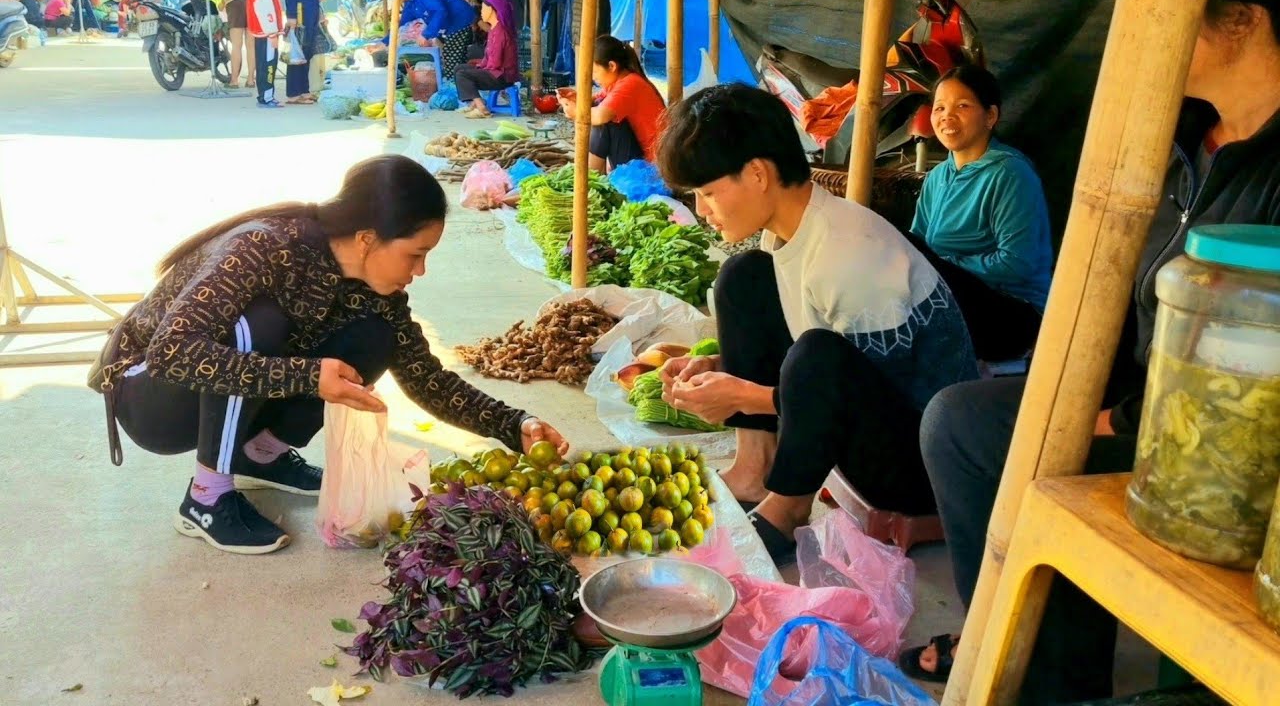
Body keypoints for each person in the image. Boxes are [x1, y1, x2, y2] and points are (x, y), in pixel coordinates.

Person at [903, 0, 1280, 700]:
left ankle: (1048, 670)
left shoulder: (1269, 167)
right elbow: (1126, 310)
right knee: (962, 415)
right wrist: (1078, 397)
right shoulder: (1185, 146)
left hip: (1216, 455)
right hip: (1134, 403)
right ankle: (1015, 629)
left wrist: (1122, 419)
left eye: (1175, 18)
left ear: (1245, 17)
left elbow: (1245, 376)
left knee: (968, 428)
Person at [87, 155, 572, 555]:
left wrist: (514, 424)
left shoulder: (376, 291)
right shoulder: (262, 247)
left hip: (210, 390)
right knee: (259, 325)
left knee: (376, 336)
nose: (420, 270)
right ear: (367, 239)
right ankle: (206, 497)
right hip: (148, 398)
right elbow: (173, 352)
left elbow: (428, 379)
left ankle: (261, 455)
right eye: (414, 254)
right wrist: (306, 375)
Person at [654, 85, 978, 565]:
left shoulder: (847, 252)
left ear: (758, 174)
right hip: (868, 408)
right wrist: (720, 366)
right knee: (742, 279)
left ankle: (787, 509)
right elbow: (810, 346)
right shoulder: (790, 230)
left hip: (922, 463)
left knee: (816, 356)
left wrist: (742, 394)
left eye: (707, 193)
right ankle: (755, 466)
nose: (702, 210)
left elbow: (850, 386)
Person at [910, 65, 1054, 363]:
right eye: (939, 107)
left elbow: (1018, 263)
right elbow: (916, 245)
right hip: (948, 296)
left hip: (1012, 315)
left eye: (962, 106)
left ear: (990, 116)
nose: (946, 116)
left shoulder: (1010, 173)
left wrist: (946, 265)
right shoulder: (937, 177)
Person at [558, 36, 667, 173]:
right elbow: (597, 99)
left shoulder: (631, 84)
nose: (593, 78)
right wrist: (576, 98)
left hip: (652, 167)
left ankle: (592, 179)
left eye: (595, 72)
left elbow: (600, 116)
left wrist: (575, 112)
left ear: (611, 66)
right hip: (642, 156)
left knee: (602, 120)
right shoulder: (620, 81)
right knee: (598, 107)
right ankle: (593, 176)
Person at [454, 0, 516, 120]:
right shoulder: (495, 28)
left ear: (492, 9)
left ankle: (480, 106)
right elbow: (490, 58)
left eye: (483, 8)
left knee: (463, 74)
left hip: (501, 76)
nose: (481, 11)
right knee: (459, 68)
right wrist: (479, 64)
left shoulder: (500, 32)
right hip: (495, 72)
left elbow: (496, 63)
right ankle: (473, 103)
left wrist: (481, 67)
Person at [396, 0, 476, 80]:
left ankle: (456, 87)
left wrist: (426, 35)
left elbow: (440, 11)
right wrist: (385, 42)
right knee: (452, 58)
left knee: (452, 60)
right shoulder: (410, 3)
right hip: (449, 27)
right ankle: (459, 86)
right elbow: (402, 24)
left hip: (459, 21)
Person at [282, 0, 322, 104]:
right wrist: (291, 15)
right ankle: (293, 93)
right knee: (298, 53)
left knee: (307, 53)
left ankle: (304, 90)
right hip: (301, 12)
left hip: (311, 10)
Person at [248, 0, 284, 107]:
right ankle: (267, 97)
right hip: (267, 33)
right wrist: (272, 33)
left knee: (263, 64)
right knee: (269, 65)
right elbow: (266, 11)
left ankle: (264, 95)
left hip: (262, 32)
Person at [220, 0, 256, 88]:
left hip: (234, 2)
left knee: (236, 46)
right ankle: (250, 80)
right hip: (251, 0)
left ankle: (234, 80)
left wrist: (222, 2)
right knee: (251, 45)